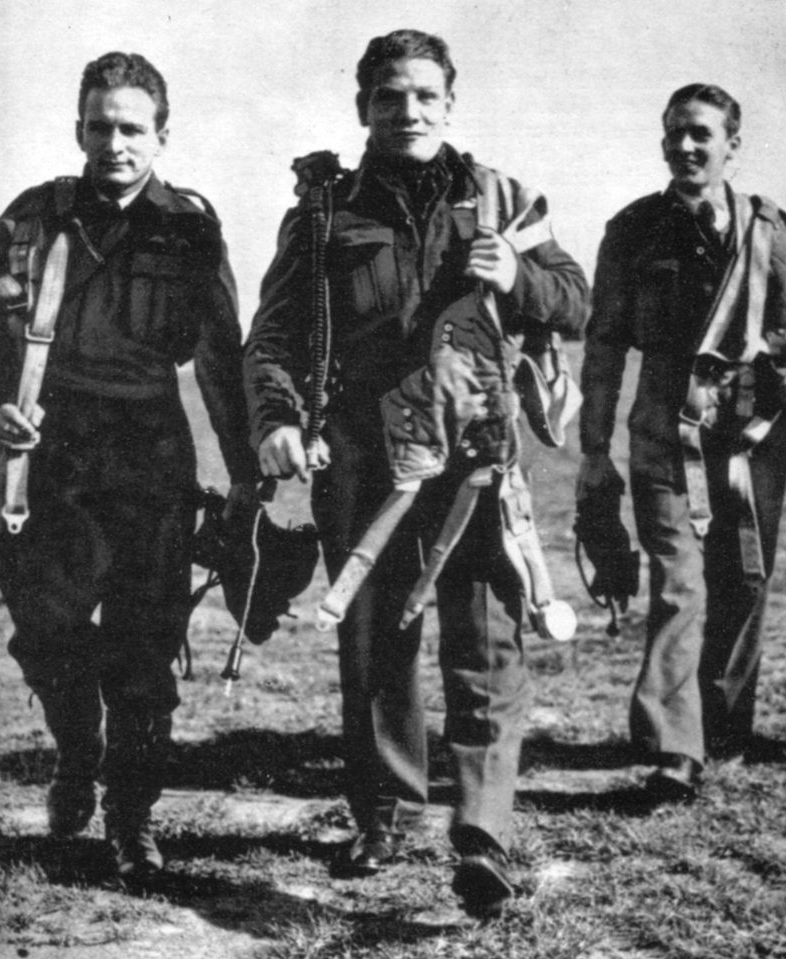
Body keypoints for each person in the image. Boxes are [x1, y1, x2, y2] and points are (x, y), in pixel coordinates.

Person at [244, 29, 587, 916]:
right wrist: (279, 416)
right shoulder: (324, 211)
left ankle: (481, 831)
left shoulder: (504, 198)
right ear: (365, 107)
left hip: (476, 456)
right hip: (363, 458)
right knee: (375, 646)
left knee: (485, 642)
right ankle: (387, 811)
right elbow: (275, 334)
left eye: (426, 96)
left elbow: (577, 301)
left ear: (450, 103)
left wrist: (519, 275)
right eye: (390, 96)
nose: (409, 111)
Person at [0, 52, 257, 879]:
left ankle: (132, 813)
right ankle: (78, 754)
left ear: (161, 136)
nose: (115, 143)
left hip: (148, 450)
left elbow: (220, 355)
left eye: (132, 128)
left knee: (146, 643)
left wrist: (248, 473)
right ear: (79, 129)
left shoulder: (188, 226)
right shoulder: (31, 218)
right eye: (100, 126)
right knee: (48, 632)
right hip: (47, 450)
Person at [578, 84, 786, 802]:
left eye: (702, 134)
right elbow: (605, 346)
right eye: (675, 133)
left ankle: (722, 727)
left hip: (751, 436)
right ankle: (676, 748)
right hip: (664, 435)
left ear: (733, 144)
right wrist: (592, 447)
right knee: (678, 584)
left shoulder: (771, 230)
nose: (686, 146)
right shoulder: (634, 230)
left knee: (744, 577)